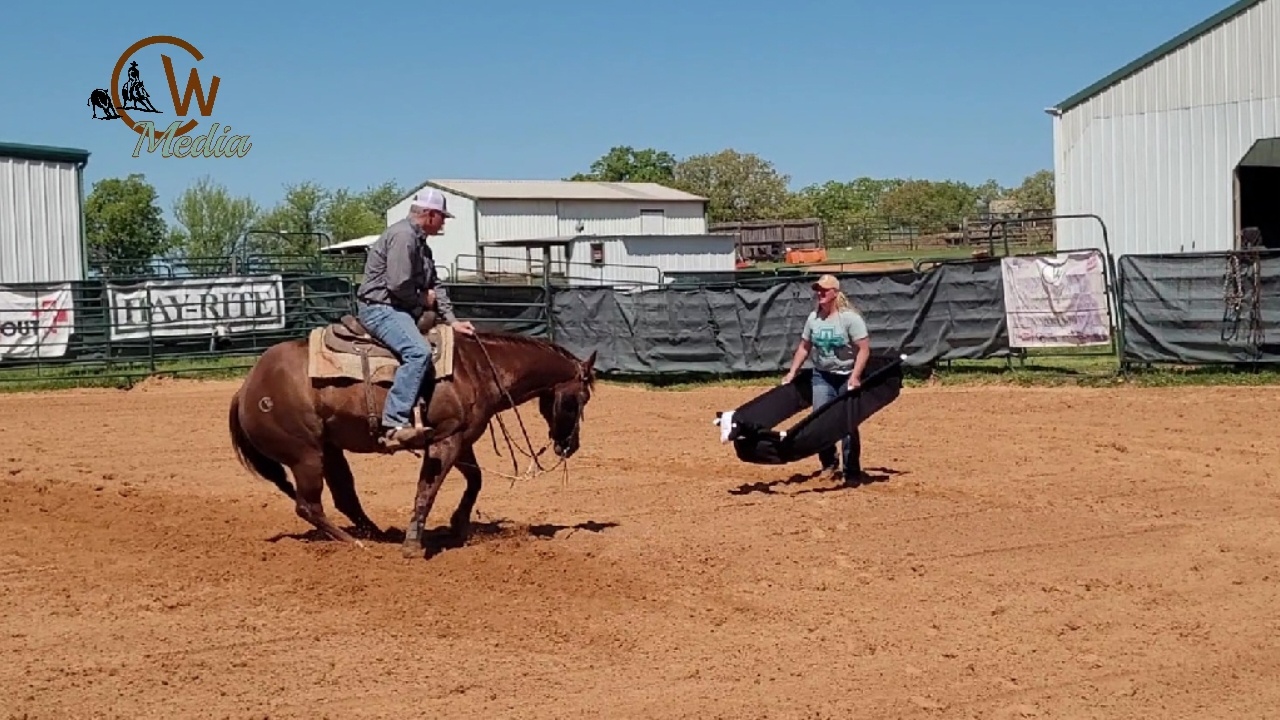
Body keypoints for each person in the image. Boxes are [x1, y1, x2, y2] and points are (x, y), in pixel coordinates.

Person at [355, 189, 475, 451]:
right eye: (442, 217)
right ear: (430, 215)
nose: (444, 222)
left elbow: (436, 285)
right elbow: (398, 285)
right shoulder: (403, 237)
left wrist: (452, 320)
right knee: (418, 352)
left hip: (400, 306)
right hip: (380, 308)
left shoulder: (420, 243)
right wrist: (423, 300)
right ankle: (395, 422)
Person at [781, 274, 871, 484]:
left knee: (847, 424)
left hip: (846, 375)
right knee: (821, 421)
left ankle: (851, 470)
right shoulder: (814, 318)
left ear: (835, 293)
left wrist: (855, 377)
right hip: (822, 376)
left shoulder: (850, 318)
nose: (820, 293)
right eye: (818, 290)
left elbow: (864, 349)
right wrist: (792, 372)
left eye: (824, 290)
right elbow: (805, 347)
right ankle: (829, 463)